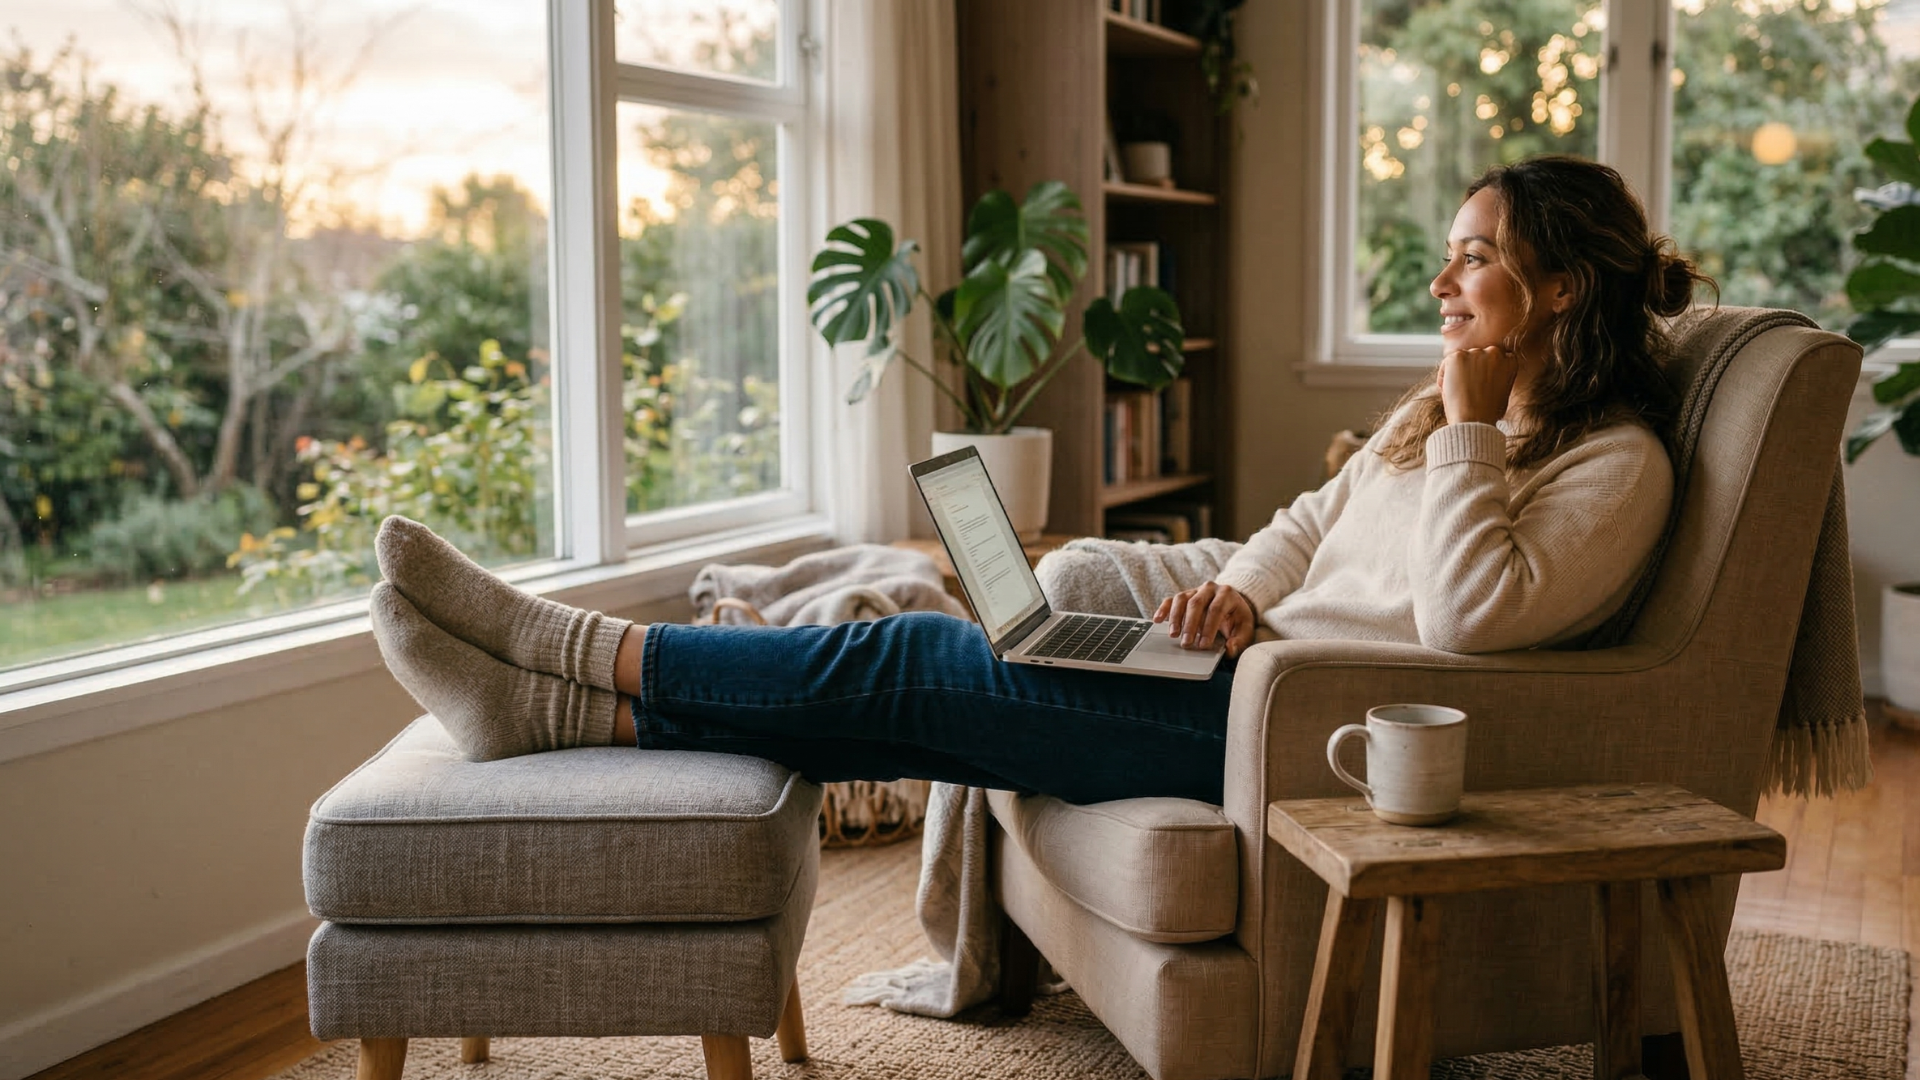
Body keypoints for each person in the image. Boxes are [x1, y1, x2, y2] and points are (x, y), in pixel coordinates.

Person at [369, 155, 1708, 807]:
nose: (1442, 281)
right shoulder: (1438, 422)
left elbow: (1468, 625)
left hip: (1296, 735)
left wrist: (1477, 426)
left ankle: (560, 651)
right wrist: (1235, 596)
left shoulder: (1620, 467)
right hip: (1238, 678)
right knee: (922, 700)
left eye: (1475, 255)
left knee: (905, 664)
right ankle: (553, 716)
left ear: (1563, 285)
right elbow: (1308, 528)